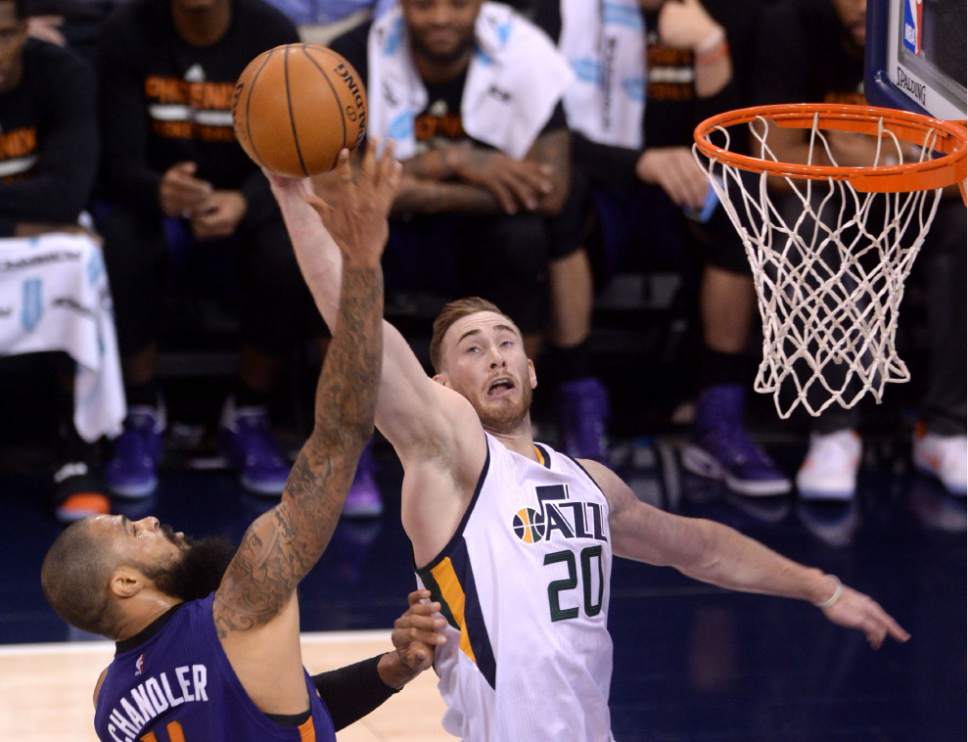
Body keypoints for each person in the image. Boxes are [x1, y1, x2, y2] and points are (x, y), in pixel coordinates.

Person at [270, 139, 910, 741]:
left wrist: (820, 586)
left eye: (506, 342)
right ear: (439, 384)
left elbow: (701, 549)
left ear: (532, 369)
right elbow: (361, 332)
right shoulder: (451, 459)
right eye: (473, 348)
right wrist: (293, 193)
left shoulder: (589, 482)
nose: (495, 356)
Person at [40, 147, 443, 740]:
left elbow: (281, 708)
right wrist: (360, 265)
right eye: (131, 532)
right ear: (124, 584)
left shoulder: (111, 704)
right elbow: (338, 436)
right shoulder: (241, 602)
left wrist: (390, 671)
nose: (150, 520)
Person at [533, 0, 792, 492]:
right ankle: (580, 407)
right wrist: (638, 162)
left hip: (687, 195)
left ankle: (720, 415)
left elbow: (739, 145)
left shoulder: (735, 15)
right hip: (602, 188)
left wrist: (711, 50)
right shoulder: (563, 10)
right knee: (556, 196)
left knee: (742, 202)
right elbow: (547, 134)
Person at [94, 0, 323, 500]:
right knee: (121, 243)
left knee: (287, 253)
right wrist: (158, 190)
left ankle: (246, 412)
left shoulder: (271, 31)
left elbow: (297, 149)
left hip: (246, 196)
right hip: (156, 200)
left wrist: (244, 200)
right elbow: (112, 157)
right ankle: (140, 412)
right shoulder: (124, 32)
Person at [755, 0, 967, 499]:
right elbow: (773, 161)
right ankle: (834, 430)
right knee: (801, 218)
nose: (862, 6)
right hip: (826, 199)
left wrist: (891, 158)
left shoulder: (948, 25)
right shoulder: (789, 24)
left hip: (918, 198)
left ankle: (947, 428)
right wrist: (843, 151)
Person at [0, 0, 121, 521]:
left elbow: (67, 196)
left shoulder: (62, 74)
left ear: (25, 31)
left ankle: (78, 455)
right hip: (24, 227)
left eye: (2, 35)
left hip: (47, 231)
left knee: (81, 256)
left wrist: (41, 218)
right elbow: (47, 203)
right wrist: (23, 223)